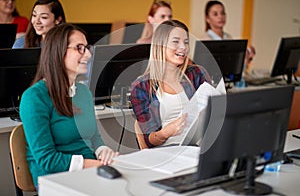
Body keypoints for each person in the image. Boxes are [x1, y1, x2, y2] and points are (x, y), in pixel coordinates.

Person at [19, 23, 118, 188]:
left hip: (90, 172)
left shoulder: (84, 92)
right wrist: (94, 165)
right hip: (56, 180)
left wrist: (103, 151)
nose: (87, 54)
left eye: (87, 47)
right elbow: (47, 160)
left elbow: (94, 138)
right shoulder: (34, 98)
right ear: (58, 52)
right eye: (79, 48)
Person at [130, 20, 211, 148]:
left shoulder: (197, 74)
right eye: (176, 42)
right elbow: (149, 141)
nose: (183, 47)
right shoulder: (141, 87)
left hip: (197, 147)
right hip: (166, 151)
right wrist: (166, 133)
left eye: (186, 42)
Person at [201, 0, 255, 69]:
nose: (220, 16)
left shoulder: (229, 38)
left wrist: (247, 58)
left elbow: (235, 68)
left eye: (222, 13)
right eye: (215, 14)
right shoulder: (204, 40)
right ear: (207, 18)